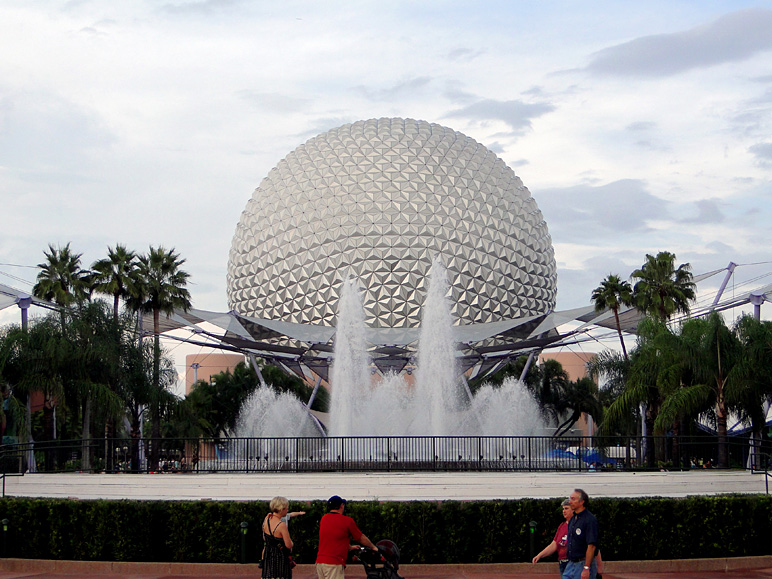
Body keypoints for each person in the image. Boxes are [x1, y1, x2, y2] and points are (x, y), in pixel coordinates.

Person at [316, 495, 377, 579]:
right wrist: (373, 547)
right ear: (341, 506)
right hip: (334, 563)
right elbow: (360, 538)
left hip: (320, 562)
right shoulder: (347, 521)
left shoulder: (324, 519)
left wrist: (350, 547)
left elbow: (334, 537)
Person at [563, 488, 599, 579]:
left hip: (583, 563)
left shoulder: (589, 520)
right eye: (570, 498)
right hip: (571, 563)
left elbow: (591, 546)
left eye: (573, 499)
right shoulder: (572, 519)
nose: (570, 502)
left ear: (582, 502)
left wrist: (586, 568)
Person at [532, 499, 572, 574]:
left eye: (566, 508)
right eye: (563, 509)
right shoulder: (562, 526)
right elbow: (554, 544)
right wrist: (539, 555)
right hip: (562, 563)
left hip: (573, 563)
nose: (564, 511)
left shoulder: (578, 525)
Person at [262, 496, 295, 579]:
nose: (287, 510)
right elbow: (288, 545)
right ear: (282, 509)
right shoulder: (281, 525)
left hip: (268, 556)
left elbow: (264, 537)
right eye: (286, 508)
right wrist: (292, 543)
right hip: (280, 559)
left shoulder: (267, 520)